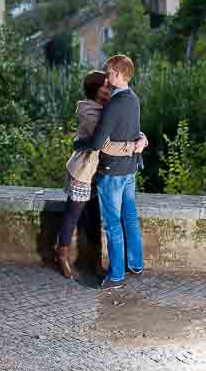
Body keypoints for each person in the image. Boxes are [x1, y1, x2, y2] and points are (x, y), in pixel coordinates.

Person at [55, 70, 146, 281]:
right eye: (105, 86)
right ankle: (62, 255)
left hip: (103, 172)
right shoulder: (89, 112)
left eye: (109, 85)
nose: (110, 88)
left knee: (95, 219)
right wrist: (133, 147)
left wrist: (141, 138)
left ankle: (95, 260)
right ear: (96, 91)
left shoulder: (109, 105)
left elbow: (125, 127)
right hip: (84, 172)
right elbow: (104, 144)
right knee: (73, 215)